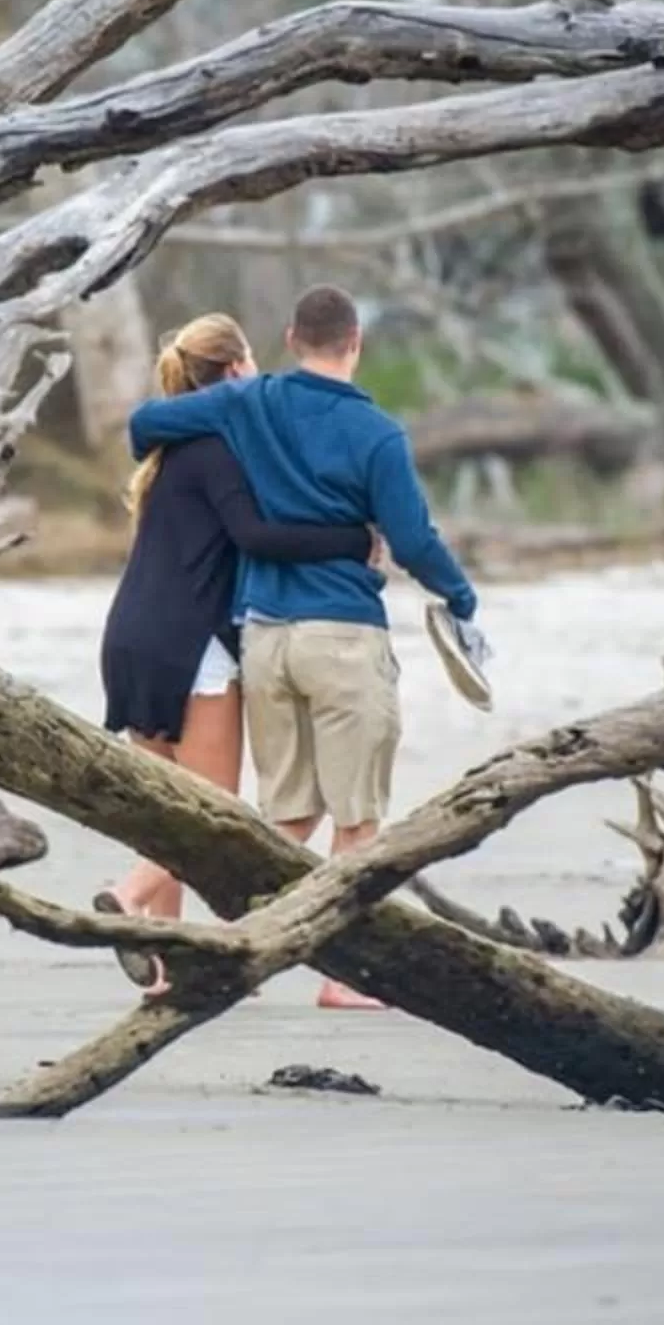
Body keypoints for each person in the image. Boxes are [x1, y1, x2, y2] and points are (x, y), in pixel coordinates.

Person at [129, 284, 482, 1010]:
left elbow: (145, 423)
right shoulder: (379, 434)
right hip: (343, 635)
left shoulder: (250, 402)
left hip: (263, 639)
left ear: (291, 338)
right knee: (356, 818)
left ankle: (235, 952)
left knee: (286, 813)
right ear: (356, 343)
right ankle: (341, 978)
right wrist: (461, 596)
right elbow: (413, 540)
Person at [95, 314, 377, 994]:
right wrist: (350, 541)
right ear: (236, 367)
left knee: (169, 806)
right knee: (212, 815)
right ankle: (129, 897)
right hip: (190, 647)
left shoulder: (173, 451)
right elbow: (256, 534)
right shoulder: (218, 449)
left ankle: (167, 965)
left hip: (130, 639)